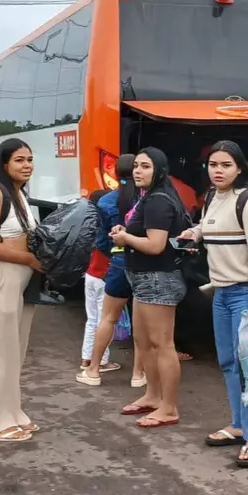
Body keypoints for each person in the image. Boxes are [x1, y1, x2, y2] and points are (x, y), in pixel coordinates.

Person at [179, 140, 248, 468]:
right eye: (212, 165)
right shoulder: (211, 198)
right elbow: (209, 227)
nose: (217, 171)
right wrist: (194, 232)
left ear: (239, 168)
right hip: (222, 292)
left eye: (225, 165)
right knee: (228, 363)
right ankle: (238, 425)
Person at [112, 147, 188, 429]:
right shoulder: (149, 198)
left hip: (159, 279)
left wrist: (126, 239)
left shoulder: (158, 201)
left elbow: (156, 246)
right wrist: (126, 234)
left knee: (162, 344)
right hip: (144, 278)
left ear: (159, 170)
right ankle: (153, 396)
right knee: (143, 342)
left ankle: (168, 407)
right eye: (136, 166)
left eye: (145, 166)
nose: (137, 171)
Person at [0, 138, 42, 442]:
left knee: (14, 353)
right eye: (19, 160)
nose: (26, 165)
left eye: (29, 159)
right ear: (4, 163)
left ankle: (12, 413)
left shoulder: (19, 194)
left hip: (21, 282)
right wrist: (28, 257)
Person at [77, 155, 144, 388]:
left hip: (115, 266)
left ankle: (93, 369)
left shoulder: (105, 202)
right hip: (144, 265)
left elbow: (101, 241)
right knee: (142, 322)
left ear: (114, 174)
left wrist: (116, 253)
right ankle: (138, 374)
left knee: (105, 318)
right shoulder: (148, 200)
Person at [79, 189, 122, 375]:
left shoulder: (90, 226)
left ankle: (86, 358)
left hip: (90, 276)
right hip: (104, 277)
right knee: (105, 321)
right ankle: (101, 361)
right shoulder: (107, 231)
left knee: (92, 320)